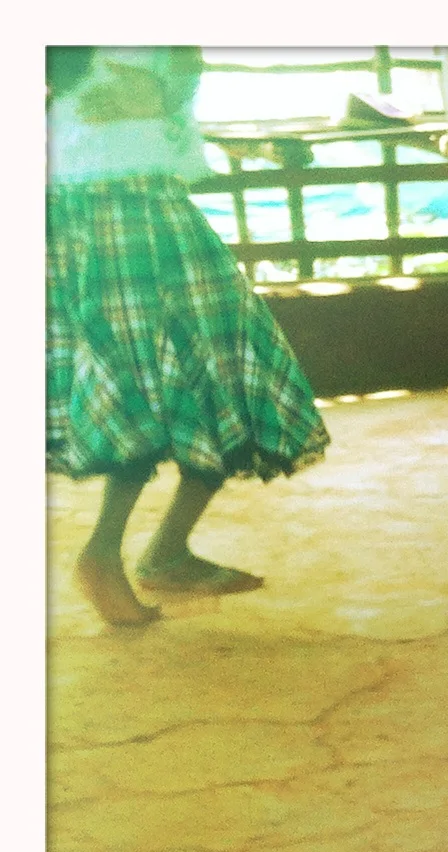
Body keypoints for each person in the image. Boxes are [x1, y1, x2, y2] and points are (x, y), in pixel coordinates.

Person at [47, 46, 330, 628]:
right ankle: (104, 553)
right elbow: (126, 108)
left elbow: (162, 113)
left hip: (148, 206)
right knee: (147, 388)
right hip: (115, 214)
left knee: (225, 378)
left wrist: (229, 136)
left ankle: (166, 553)